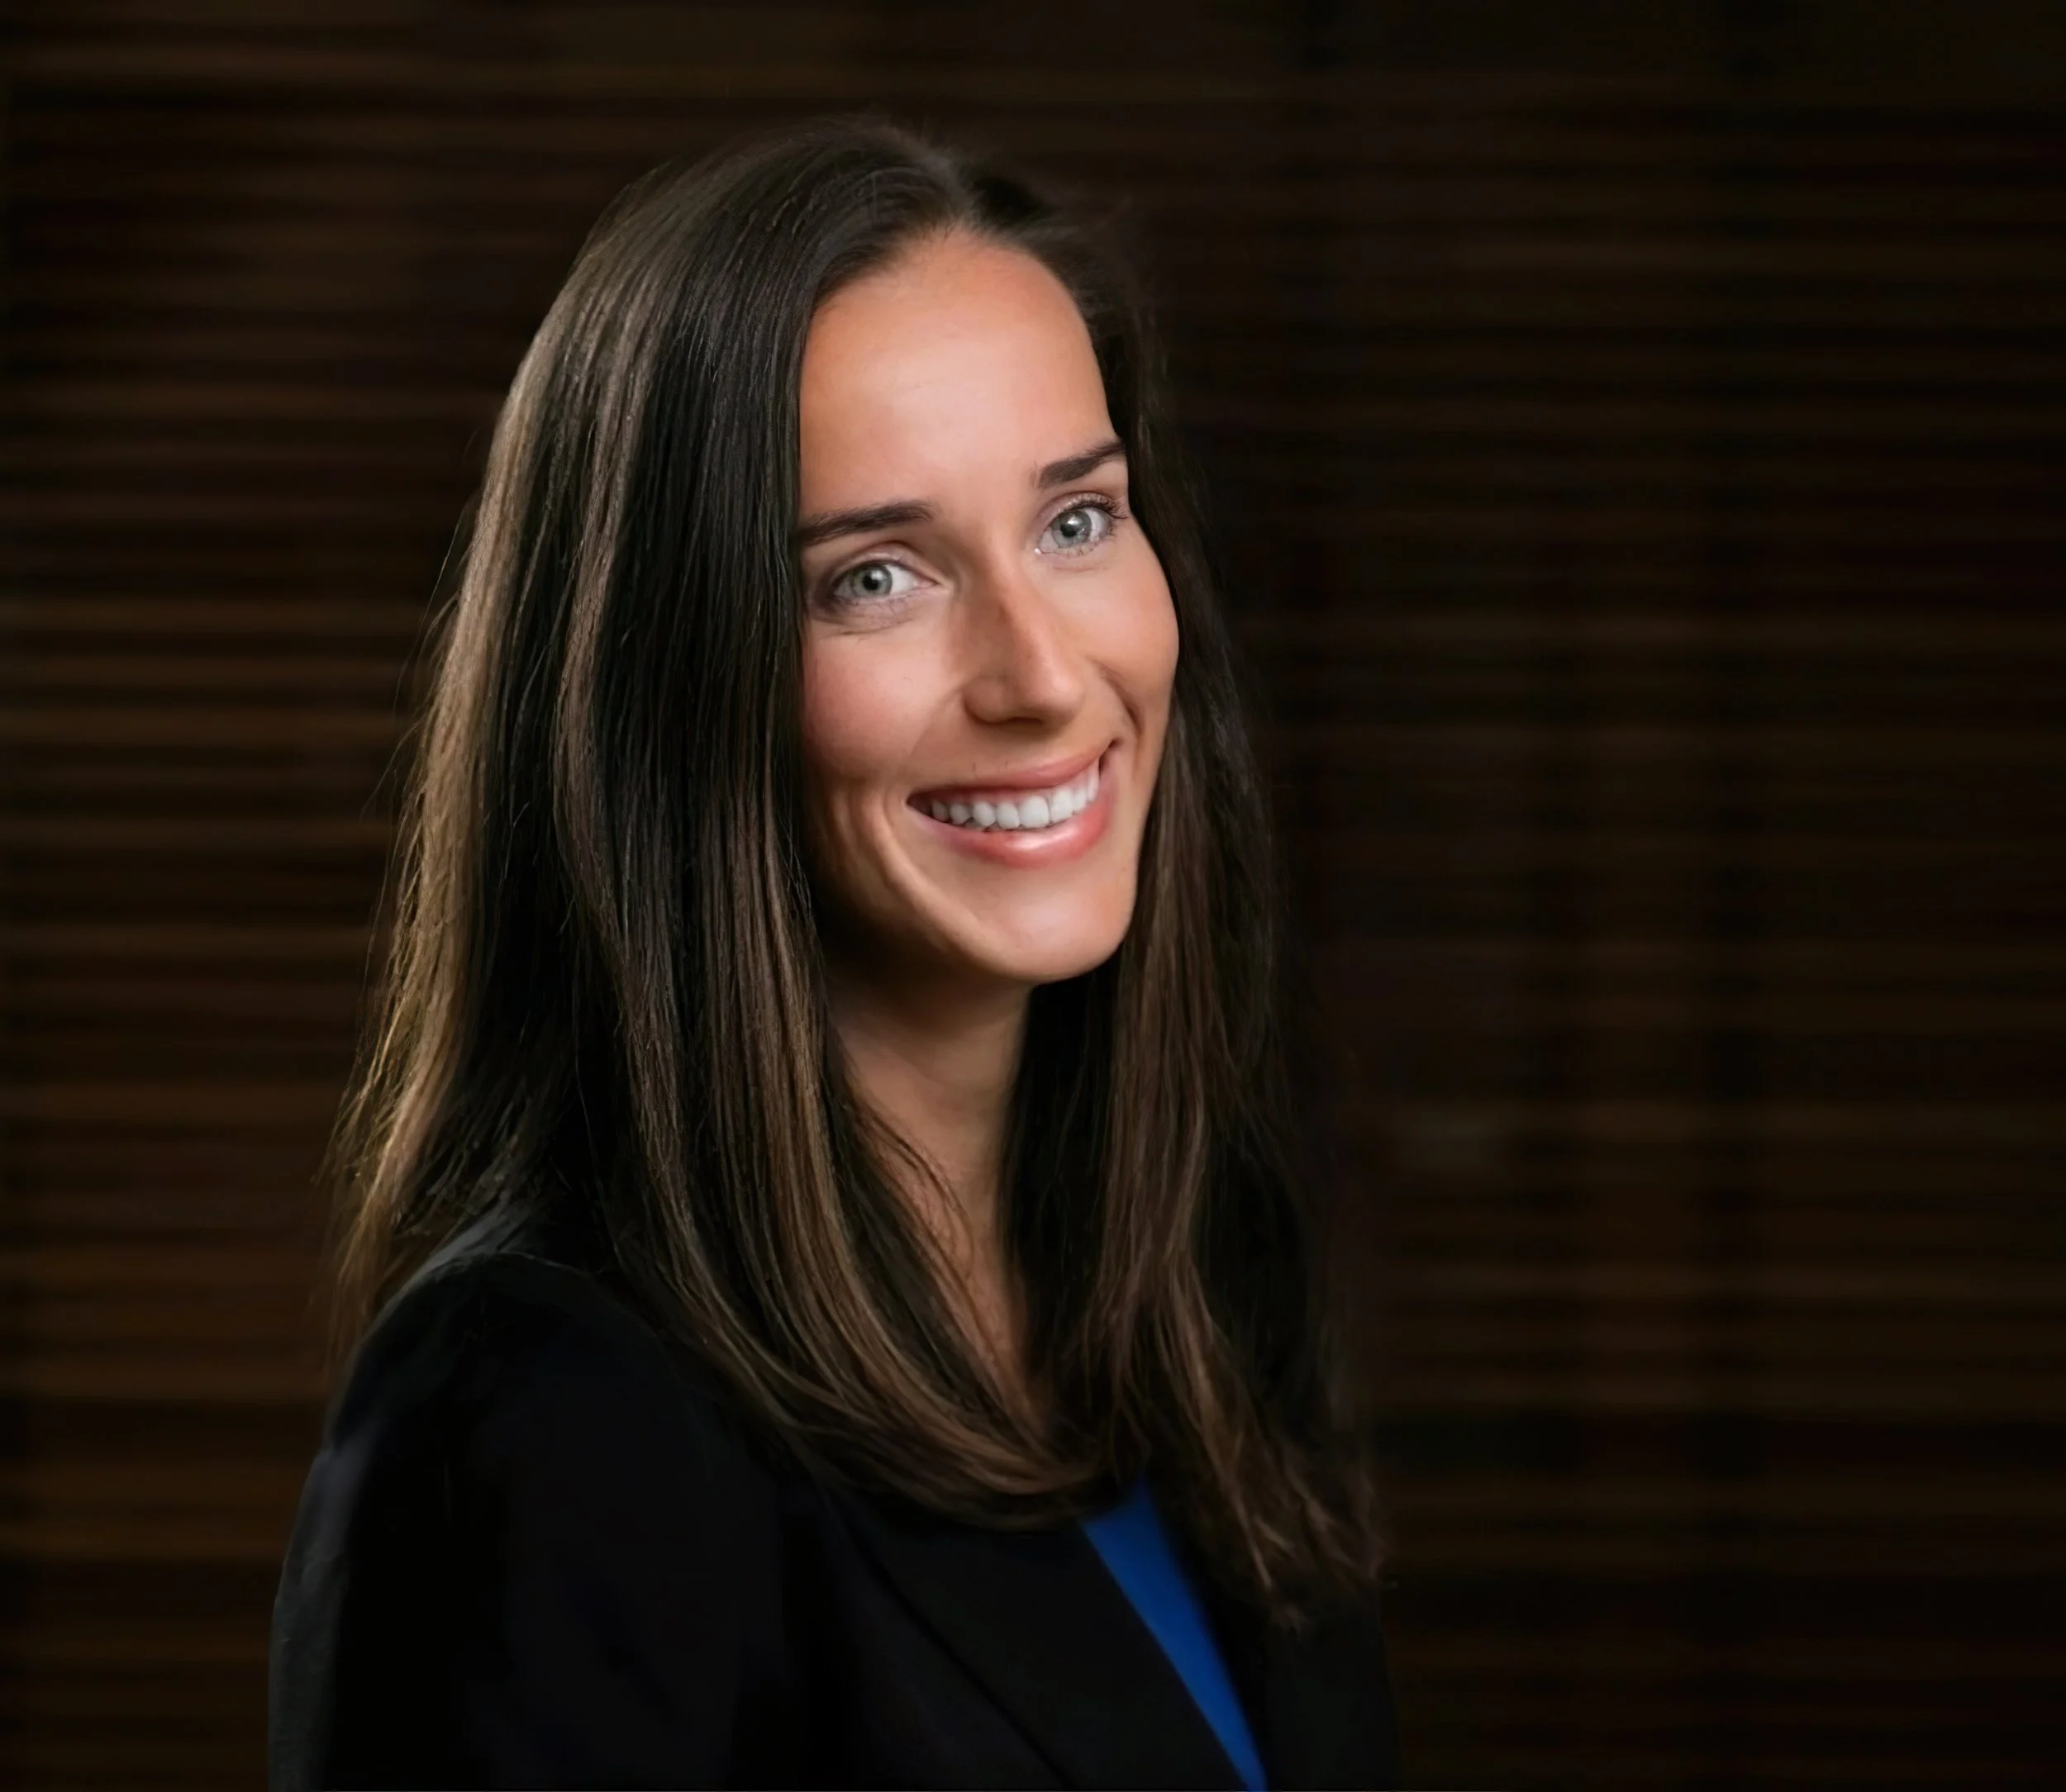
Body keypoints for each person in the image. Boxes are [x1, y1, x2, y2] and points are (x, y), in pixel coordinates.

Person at [268, 116, 1398, 1790]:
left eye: (1076, 523)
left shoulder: (1182, 1299)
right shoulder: (538, 1422)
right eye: (874, 575)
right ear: (669, 684)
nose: (1037, 677)